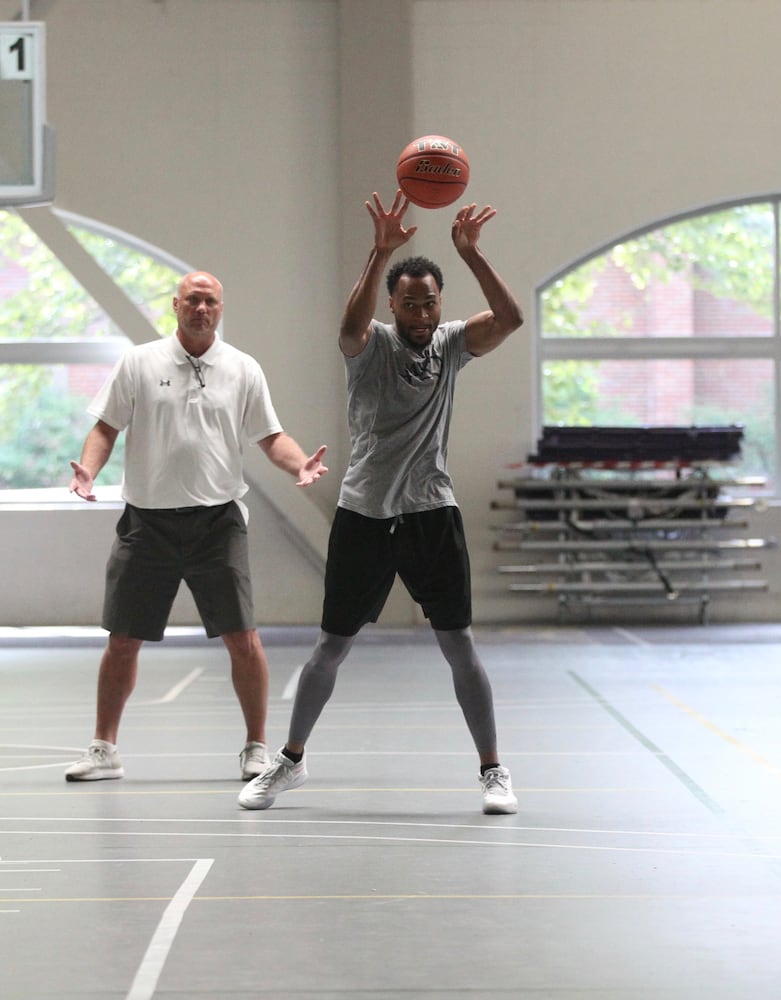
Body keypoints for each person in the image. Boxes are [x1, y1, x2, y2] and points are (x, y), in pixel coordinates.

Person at [238, 190, 524, 816]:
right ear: (392, 306)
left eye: (430, 302)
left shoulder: (450, 345)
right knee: (330, 648)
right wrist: (379, 251)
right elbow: (347, 327)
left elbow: (509, 320)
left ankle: (493, 769)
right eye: (410, 303)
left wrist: (471, 255)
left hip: (431, 513)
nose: (422, 312)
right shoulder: (371, 347)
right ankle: (289, 763)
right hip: (365, 514)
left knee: (460, 646)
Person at [64, 271, 329, 783]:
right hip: (147, 523)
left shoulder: (242, 368)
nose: (201, 308)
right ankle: (104, 750)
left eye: (209, 301)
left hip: (217, 523)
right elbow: (106, 425)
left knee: (242, 638)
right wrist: (88, 471)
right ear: (175, 305)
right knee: (122, 639)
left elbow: (270, 436)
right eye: (192, 300)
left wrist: (298, 465)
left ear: (221, 308)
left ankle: (256, 747)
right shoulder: (139, 362)